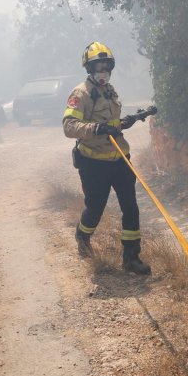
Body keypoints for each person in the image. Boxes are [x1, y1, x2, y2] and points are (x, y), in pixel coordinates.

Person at [63, 41, 151, 275]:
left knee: (130, 207)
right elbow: (69, 126)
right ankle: (83, 235)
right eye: (98, 67)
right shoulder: (80, 93)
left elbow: (112, 124)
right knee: (95, 209)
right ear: (89, 68)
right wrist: (97, 128)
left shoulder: (110, 91)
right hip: (94, 163)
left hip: (120, 158)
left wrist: (125, 122)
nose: (103, 71)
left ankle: (131, 258)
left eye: (106, 67)